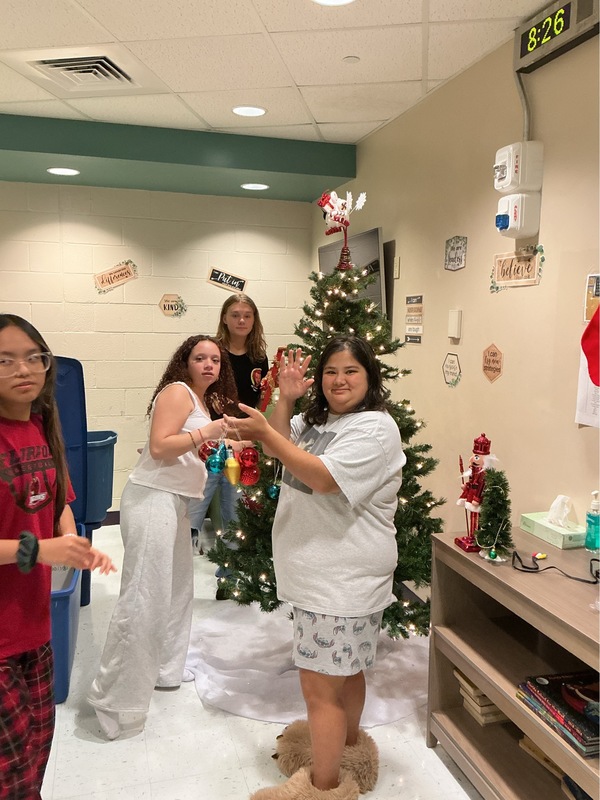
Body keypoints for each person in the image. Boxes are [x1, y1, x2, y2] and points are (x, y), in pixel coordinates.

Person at [224, 336, 406, 800]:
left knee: (320, 691)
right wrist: (284, 401)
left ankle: (323, 789)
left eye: (351, 372)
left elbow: (323, 479)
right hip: (322, 577)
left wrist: (266, 432)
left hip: (341, 581)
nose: (338, 380)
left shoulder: (374, 429)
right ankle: (348, 753)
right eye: (330, 372)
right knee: (345, 674)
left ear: (370, 379)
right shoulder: (320, 419)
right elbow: (278, 450)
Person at [87, 335, 236, 740]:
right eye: (200, 358)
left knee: (175, 592)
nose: (209, 365)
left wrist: (224, 439)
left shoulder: (204, 403)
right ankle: (113, 699)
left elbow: (185, 452)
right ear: (184, 362)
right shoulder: (178, 392)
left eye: (216, 360)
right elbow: (159, 447)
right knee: (143, 597)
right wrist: (208, 432)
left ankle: (167, 670)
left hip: (175, 502)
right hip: (152, 499)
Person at [0, 314, 115, 799]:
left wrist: (74, 540)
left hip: (35, 627)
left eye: (33, 357)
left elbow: (58, 498)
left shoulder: (40, 426)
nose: (23, 369)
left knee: (36, 757)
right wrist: (41, 549)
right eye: (5, 360)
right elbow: (37, 543)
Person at [188, 294, 268, 596]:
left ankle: (229, 580)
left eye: (247, 315)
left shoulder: (259, 357)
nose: (242, 321)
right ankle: (176, 577)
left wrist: (248, 437)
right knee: (193, 510)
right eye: (235, 314)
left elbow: (258, 401)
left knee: (235, 513)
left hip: (242, 443)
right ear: (225, 318)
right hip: (211, 441)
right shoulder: (212, 352)